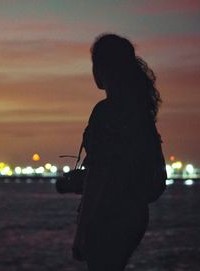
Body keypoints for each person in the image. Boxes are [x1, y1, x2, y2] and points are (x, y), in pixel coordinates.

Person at [72, 33, 163, 271]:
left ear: (102, 67)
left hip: (108, 216)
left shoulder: (106, 112)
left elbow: (99, 178)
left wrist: (82, 232)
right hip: (135, 216)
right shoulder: (140, 113)